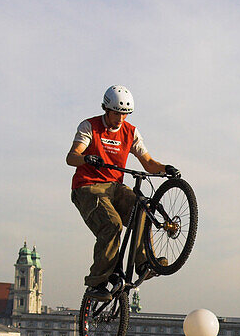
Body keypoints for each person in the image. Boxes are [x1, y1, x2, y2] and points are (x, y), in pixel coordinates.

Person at [66, 85, 179, 300]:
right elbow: (72, 157)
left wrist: (165, 169)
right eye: (117, 113)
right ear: (106, 109)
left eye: (125, 114)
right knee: (112, 225)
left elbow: (148, 162)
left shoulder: (131, 132)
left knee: (143, 210)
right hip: (88, 187)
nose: (120, 119)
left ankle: (144, 262)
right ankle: (97, 282)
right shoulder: (89, 126)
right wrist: (86, 158)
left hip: (115, 187)